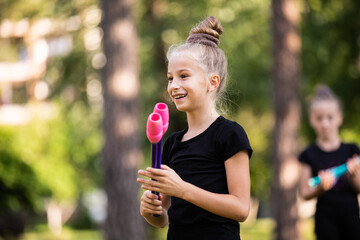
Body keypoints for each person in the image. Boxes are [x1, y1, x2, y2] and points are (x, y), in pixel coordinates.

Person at [137, 16, 252, 240]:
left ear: (212, 82)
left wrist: (183, 189)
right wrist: (152, 212)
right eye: (170, 78)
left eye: (184, 76)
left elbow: (241, 208)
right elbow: (164, 218)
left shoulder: (230, 134)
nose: (174, 86)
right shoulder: (171, 143)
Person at [298, 85, 360, 240]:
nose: (324, 123)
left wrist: (353, 175)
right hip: (325, 222)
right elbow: (304, 193)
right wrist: (320, 188)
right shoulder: (308, 154)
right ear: (312, 120)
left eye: (330, 117)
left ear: (339, 118)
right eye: (319, 118)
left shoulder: (351, 150)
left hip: (352, 220)